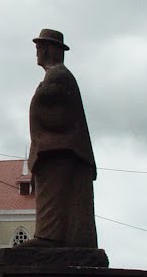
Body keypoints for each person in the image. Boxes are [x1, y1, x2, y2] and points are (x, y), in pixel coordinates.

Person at [27, 28, 97, 248]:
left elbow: (57, 116)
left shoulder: (58, 76)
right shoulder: (56, 76)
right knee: (51, 195)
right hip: (53, 149)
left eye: (39, 48)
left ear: (48, 50)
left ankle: (48, 238)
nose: (37, 53)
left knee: (53, 197)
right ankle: (50, 237)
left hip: (57, 150)